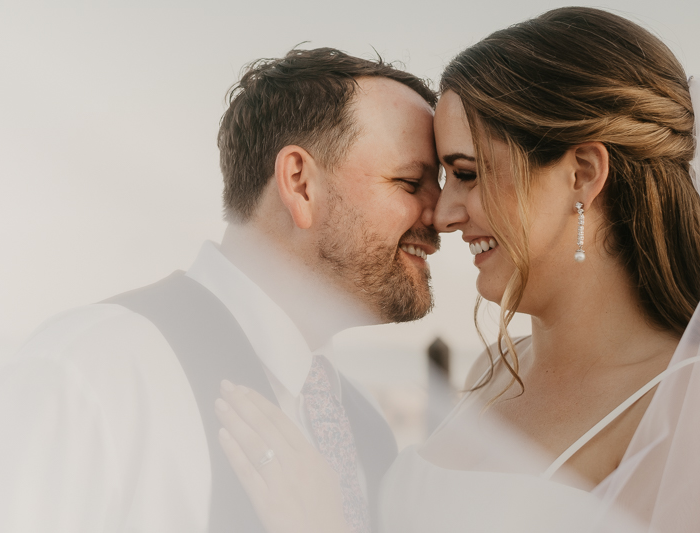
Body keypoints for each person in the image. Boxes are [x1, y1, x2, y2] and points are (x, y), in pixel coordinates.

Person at [213, 7, 700, 532]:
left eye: (467, 174)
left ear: (581, 174)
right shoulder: (491, 372)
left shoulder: (683, 405)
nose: (443, 216)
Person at [0, 48, 440, 532]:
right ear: (300, 182)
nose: (443, 215)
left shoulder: (368, 432)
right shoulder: (88, 377)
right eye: (411, 183)